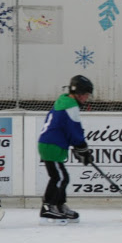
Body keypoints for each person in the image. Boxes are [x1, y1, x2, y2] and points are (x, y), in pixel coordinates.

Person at [38, 75, 95, 224]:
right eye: (86, 95)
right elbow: (74, 130)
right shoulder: (71, 106)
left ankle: (58, 205)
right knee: (59, 177)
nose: (86, 98)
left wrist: (79, 149)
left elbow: (65, 128)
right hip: (52, 145)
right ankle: (48, 207)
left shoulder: (64, 102)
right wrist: (83, 149)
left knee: (62, 177)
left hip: (52, 144)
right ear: (79, 93)